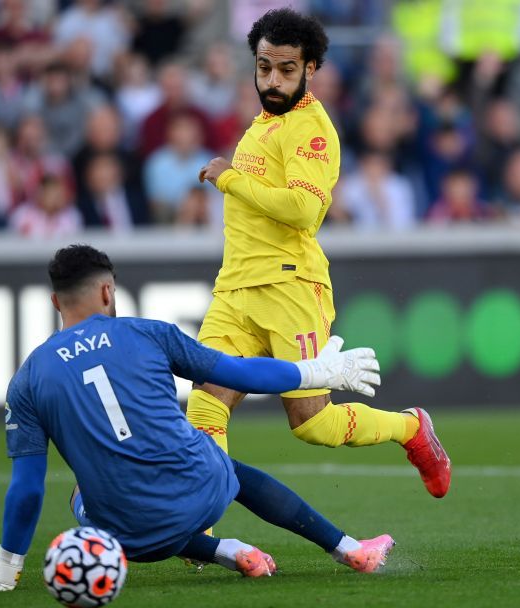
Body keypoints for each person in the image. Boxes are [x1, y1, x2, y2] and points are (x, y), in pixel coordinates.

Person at [0, 245, 392, 594]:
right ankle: (348, 548)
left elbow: (27, 489)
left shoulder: (28, 378)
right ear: (107, 291)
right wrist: (314, 371)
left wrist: (3, 573)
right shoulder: (148, 333)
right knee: (226, 466)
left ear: (56, 301)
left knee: (83, 494)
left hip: (131, 538)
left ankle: (224, 551)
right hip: (205, 492)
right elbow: (238, 371)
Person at [190, 8, 451, 499]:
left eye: (287, 69)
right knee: (204, 408)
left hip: (290, 287)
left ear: (310, 69)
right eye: (265, 66)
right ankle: (199, 518)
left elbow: (304, 210)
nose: (272, 78)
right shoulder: (263, 122)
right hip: (234, 288)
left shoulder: (312, 130)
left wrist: (229, 178)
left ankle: (411, 429)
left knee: (313, 424)